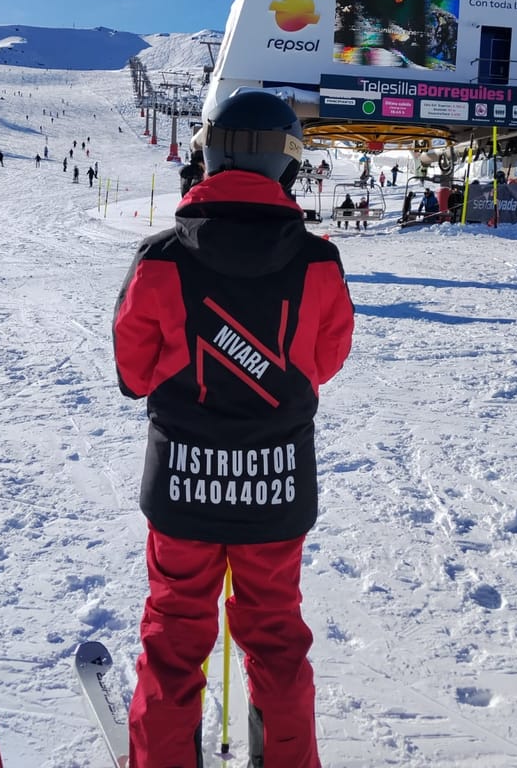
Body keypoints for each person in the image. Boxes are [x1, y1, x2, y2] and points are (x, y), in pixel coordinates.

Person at [113, 90, 354, 768]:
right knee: (274, 638)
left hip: (183, 484)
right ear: (289, 167)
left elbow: (132, 372)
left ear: (208, 153)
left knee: (173, 637)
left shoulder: (161, 257)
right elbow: (324, 362)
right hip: (274, 487)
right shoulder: (317, 262)